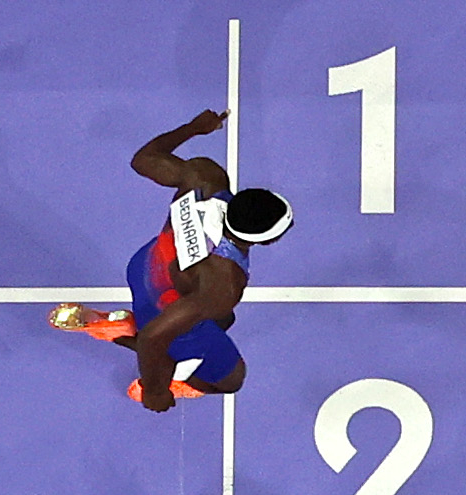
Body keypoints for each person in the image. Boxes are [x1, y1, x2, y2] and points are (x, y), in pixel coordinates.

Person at [47, 106, 291, 411]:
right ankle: (128, 341)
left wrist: (192, 128)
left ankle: (124, 326)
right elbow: (152, 338)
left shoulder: (205, 178)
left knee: (222, 319)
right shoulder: (224, 284)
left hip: (144, 266)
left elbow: (143, 160)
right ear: (265, 240)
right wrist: (155, 390)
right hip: (163, 305)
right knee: (230, 379)